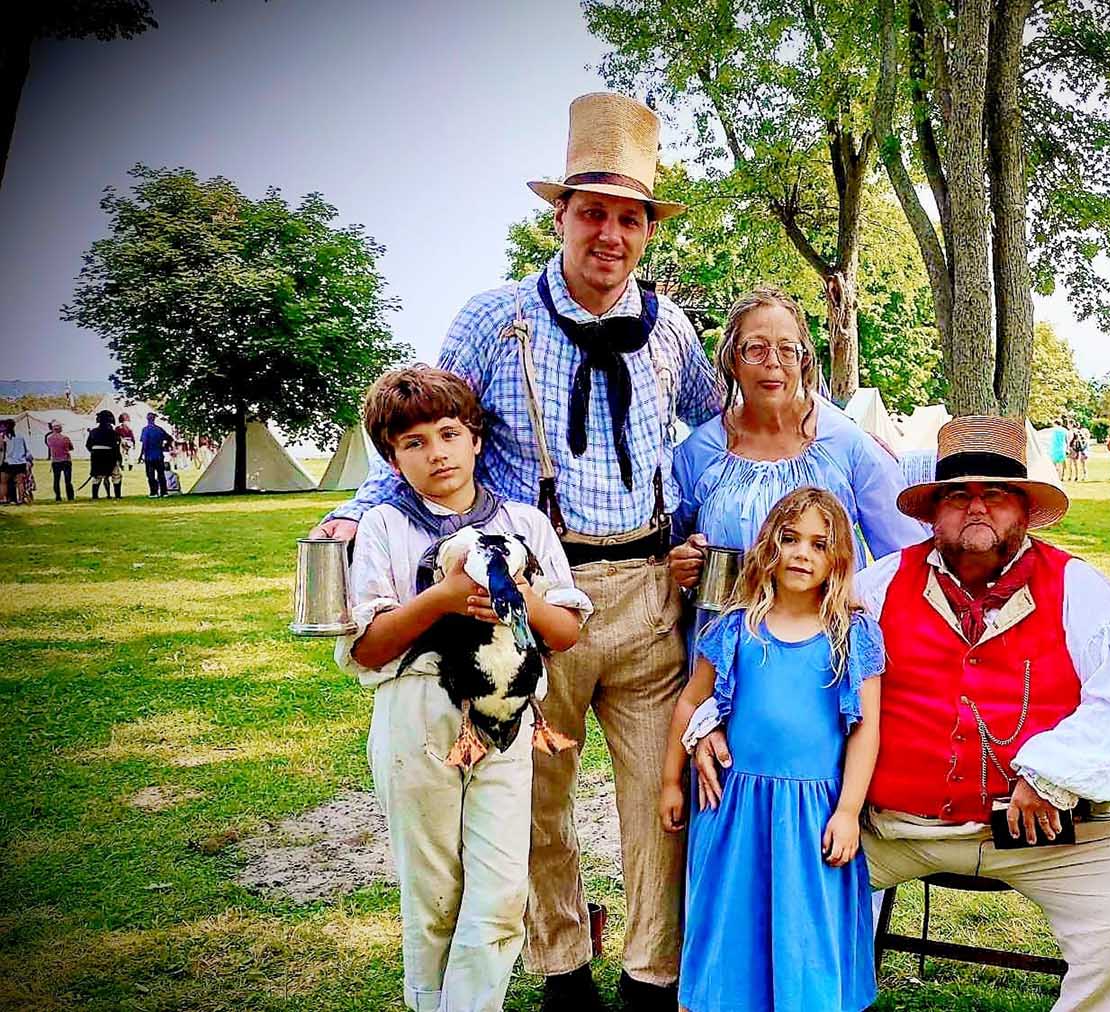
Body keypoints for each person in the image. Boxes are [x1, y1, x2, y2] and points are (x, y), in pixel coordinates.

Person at [311, 93, 720, 1011]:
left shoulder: (672, 329)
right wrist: (352, 514)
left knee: (658, 802)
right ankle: (562, 969)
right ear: (560, 216)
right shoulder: (494, 318)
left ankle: (653, 976)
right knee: (534, 793)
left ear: (649, 231)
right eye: (592, 213)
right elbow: (424, 430)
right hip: (529, 592)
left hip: (649, 588)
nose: (610, 235)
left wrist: (743, 507)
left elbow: (714, 431)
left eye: (629, 219)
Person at [694, 416, 1110, 1012]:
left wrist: (1052, 774)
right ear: (931, 513)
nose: (976, 507)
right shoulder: (878, 587)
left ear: (1024, 510)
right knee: (762, 875)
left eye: (995, 493)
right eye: (957, 496)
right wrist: (708, 721)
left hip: (1043, 835)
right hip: (887, 829)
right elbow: (780, 650)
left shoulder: (1080, 590)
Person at [340, 366, 592, 1012]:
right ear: (392, 459)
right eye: (414, 442)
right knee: (433, 891)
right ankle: (432, 1001)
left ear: (476, 439)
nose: (437, 453)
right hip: (417, 710)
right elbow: (367, 646)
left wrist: (521, 598)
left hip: (505, 717)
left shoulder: (524, 522)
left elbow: (566, 630)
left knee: (503, 887)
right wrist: (443, 598)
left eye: (449, 434)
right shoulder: (384, 528)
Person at [660, 487, 883, 1012]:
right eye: (790, 539)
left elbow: (865, 730)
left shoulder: (851, 636)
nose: (802, 554)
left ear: (838, 558)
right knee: (732, 923)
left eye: (819, 544)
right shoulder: (736, 629)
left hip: (812, 813)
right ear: (768, 546)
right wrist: (671, 780)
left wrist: (847, 811)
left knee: (807, 931)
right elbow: (690, 701)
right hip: (734, 808)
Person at [672, 287, 924, 582]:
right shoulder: (698, 453)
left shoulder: (849, 444)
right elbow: (664, 549)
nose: (773, 362)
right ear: (732, 360)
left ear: (804, 361)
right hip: (724, 613)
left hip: (831, 614)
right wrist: (680, 562)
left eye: (787, 349)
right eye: (756, 348)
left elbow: (906, 561)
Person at [86, 410, 122, 500]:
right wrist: (119, 458)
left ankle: (95, 496)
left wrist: (94, 452)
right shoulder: (113, 433)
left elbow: (88, 445)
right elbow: (116, 447)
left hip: (96, 456)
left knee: (97, 476)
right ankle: (117, 495)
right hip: (110, 456)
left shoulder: (93, 432)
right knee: (116, 475)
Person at [139, 412, 173, 498]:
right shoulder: (159, 429)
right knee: (161, 474)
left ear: (147, 419)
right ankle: (164, 492)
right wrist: (165, 446)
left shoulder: (145, 430)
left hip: (149, 456)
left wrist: (141, 455)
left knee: (150, 475)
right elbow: (170, 438)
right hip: (159, 455)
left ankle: (153, 492)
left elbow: (144, 444)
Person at [0, 419, 30, 504]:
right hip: (20, 462)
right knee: (20, 483)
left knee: (3, 483)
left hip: (8, 462)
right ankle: (20, 499)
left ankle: (3, 499)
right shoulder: (20, 435)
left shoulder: (3, 436)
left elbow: (1, 448)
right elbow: (25, 449)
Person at [45, 421, 75, 502]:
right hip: (66, 460)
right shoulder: (65, 438)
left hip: (55, 461)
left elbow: (50, 446)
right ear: (60, 429)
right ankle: (70, 497)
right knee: (68, 480)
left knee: (56, 480)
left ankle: (58, 497)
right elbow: (71, 447)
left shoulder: (49, 439)